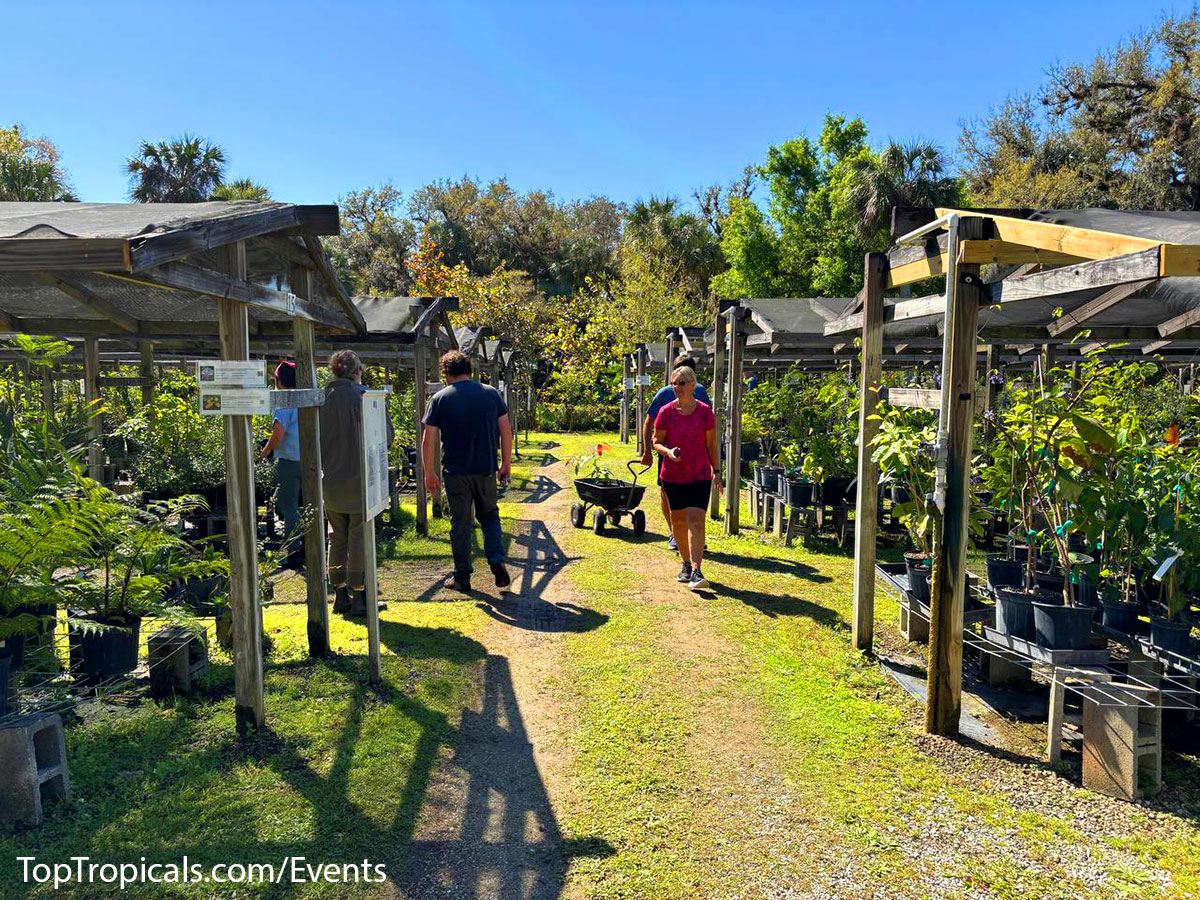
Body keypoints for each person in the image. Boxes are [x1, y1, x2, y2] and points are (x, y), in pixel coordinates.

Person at [422, 350, 513, 592]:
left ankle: (462, 576)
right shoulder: (491, 394)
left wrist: (428, 473)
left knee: (460, 523)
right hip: (485, 469)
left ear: (446, 373)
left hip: (455, 471)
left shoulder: (440, 399)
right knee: (490, 515)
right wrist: (506, 464)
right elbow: (505, 431)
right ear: (470, 370)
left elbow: (428, 439)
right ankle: (496, 559)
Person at [319, 348, 385, 617]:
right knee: (359, 538)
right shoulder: (364, 397)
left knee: (336, 538)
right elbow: (385, 436)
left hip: (331, 482)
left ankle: (339, 594)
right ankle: (360, 596)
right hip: (361, 482)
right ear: (357, 371)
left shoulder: (321, 398)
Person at [653, 365, 720, 591]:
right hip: (673, 476)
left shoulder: (704, 412)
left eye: (682, 383)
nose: (677, 387)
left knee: (696, 520)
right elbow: (656, 441)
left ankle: (697, 568)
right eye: (674, 383)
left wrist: (717, 472)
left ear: (693, 385)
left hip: (700, 474)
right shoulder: (666, 412)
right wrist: (668, 452)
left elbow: (711, 444)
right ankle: (685, 564)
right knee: (678, 521)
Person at [640, 354, 711, 551]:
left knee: (692, 497)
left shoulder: (701, 393)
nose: (679, 384)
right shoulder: (664, 394)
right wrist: (647, 451)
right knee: (668, 494)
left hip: (695, 456)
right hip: (669, 455)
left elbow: (709, 424)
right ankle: (675, 532)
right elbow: (649, 423)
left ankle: (692, 536)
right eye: (676, 380)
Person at [259, 360, 302, 567]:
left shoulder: (284, 400)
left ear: (278, 380)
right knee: (309, 505)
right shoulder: (304, 397)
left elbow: (278, 434)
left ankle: (294, 550)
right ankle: (311, 545)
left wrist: (265, 451)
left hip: (289, 461)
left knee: (288, 507)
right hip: (309, 459)